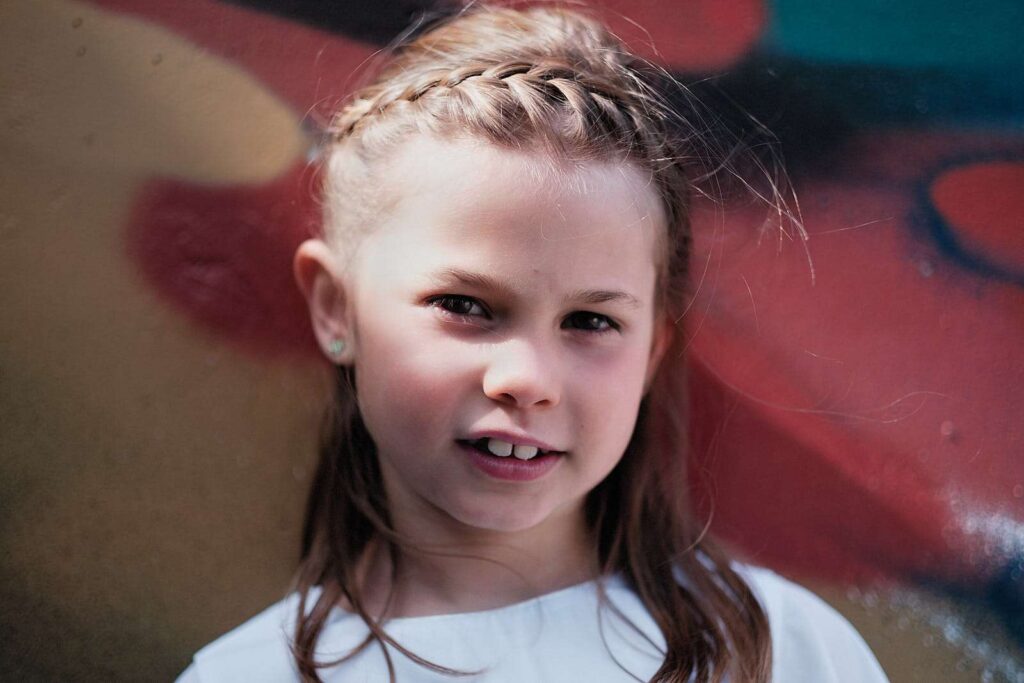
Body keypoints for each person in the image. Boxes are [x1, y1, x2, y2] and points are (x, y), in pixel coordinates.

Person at [177, 5, 889, 682]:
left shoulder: (786, 651)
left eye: (590, 321)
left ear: (652, 349)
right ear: (336, 308)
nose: (526, 377)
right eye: (464, 305)